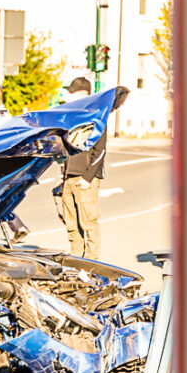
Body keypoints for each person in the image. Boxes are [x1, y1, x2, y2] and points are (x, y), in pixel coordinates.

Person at [56, 76, 106, 259]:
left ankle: (91, 264)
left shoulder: (96, 117)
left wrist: (88, 178)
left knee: (88, 222)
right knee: (71, 224)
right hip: (69, 176)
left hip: (85, 178)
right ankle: (76, 260)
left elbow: (99, 151)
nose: (68, 95)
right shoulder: (72, 117)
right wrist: (63, 176)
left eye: (71, 92)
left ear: (84, 94)